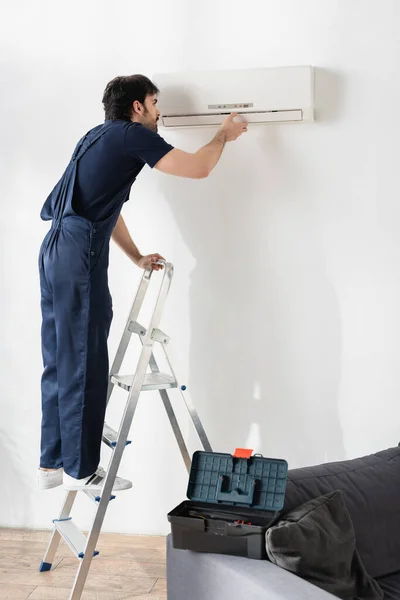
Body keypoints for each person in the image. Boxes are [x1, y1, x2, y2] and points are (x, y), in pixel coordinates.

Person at [37, 74, 247, 493]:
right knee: (84, 356)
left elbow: (104, 208)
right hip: (78, 252)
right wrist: (223, 135)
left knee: (60, 357)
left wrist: (134, 256)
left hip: (56, 249)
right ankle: (82, 471)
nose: (158, 111)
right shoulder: (132, 136)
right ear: (136, 107)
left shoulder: (95, 138)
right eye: (154, 102)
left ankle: (52, 464)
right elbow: (199, 168)